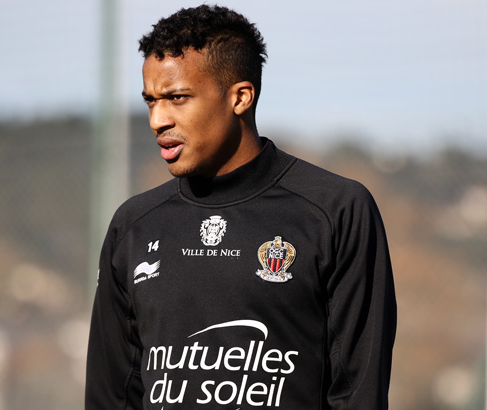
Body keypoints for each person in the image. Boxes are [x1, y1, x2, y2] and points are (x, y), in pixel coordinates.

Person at [85, 5, 396, 410]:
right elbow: (111, 397)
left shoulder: (336, 211)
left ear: (240, 97)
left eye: (177, 98)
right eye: (151, 101)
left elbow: (358, 393)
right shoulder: (134, 226)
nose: (157, 120)